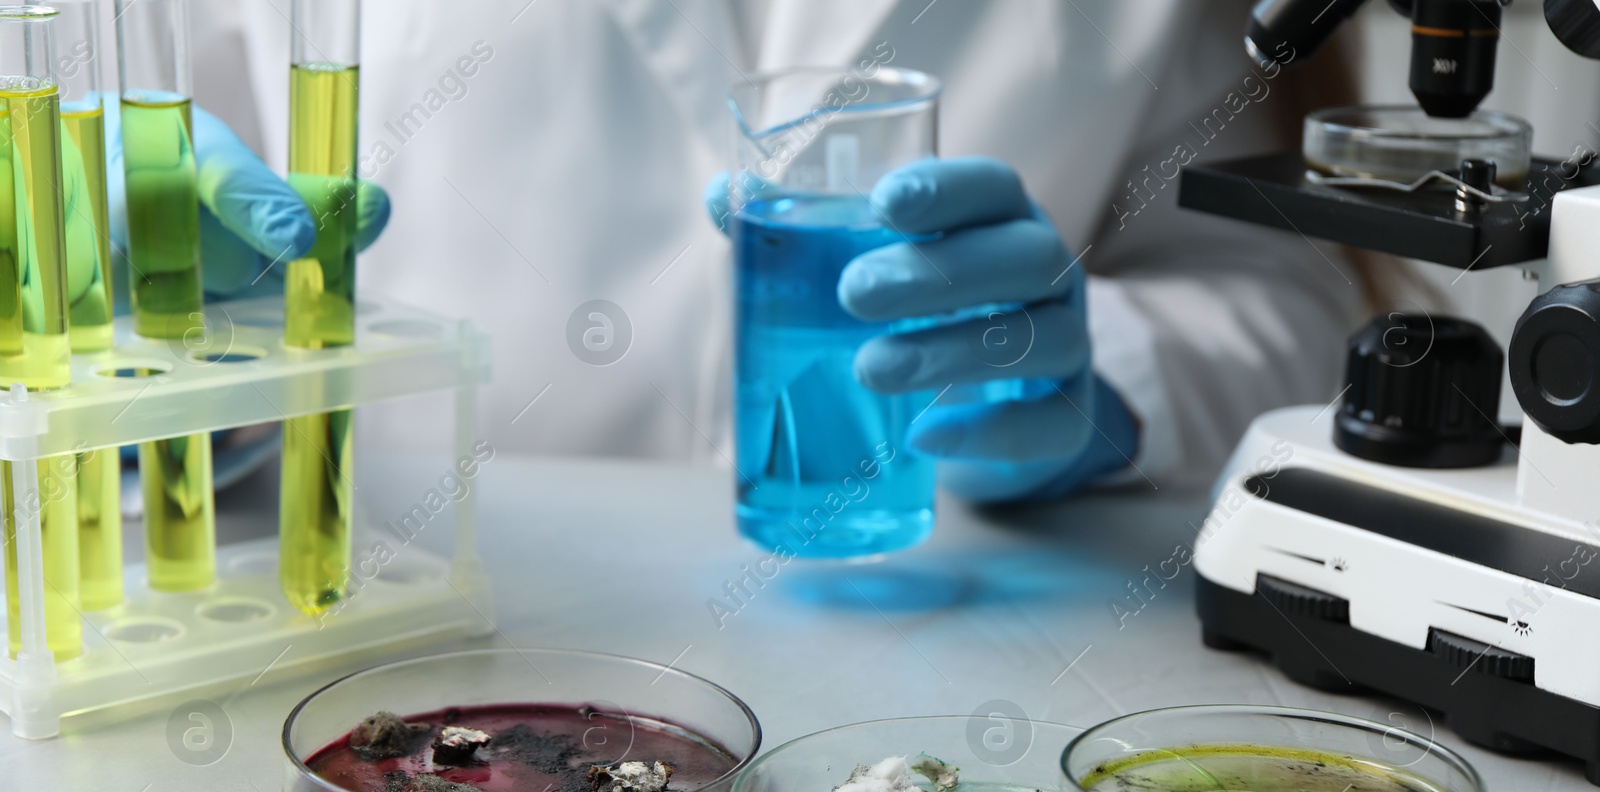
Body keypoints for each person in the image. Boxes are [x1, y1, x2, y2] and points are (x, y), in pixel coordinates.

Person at [165, 0, 1365, 502]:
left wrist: (1111, 387)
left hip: (944, 639)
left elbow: (1284, 287)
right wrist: (141, 312)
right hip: (414, 619)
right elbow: (122, 187)